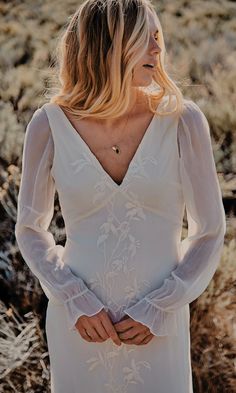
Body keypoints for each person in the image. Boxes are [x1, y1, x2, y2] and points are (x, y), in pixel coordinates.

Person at [15, 0, 226, 392]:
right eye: (144, 38)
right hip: (79, 326)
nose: (157, 49)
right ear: (107, 44)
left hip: (157, 327)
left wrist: (161, 306)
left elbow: (210, 231)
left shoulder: (183, 120)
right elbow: (29, 228)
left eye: (158, 37)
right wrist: (73, 298)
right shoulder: (48, 124)